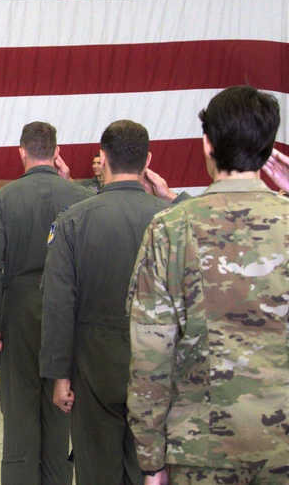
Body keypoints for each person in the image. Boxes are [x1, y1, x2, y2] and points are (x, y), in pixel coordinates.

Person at [127, 86, 288, 484]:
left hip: (200, 450)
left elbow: (151, 354)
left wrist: (151, 458)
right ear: (270, 148)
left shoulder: (170, 228)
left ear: (207, 144)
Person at [40, 120, 170, 484]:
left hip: (93, 366)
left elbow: (58, 304)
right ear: (147, 160)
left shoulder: (73, 221)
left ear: (103, 158)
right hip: (159, 366)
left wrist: (59, 375)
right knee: (151, 469)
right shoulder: (172, 220)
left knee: (96, 467)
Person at [0, 121, 92, 485]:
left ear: (21, 151)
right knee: (60, 403)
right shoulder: (81, 198)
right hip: (67, 309)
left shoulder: (3, 200)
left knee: (19, 406)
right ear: (57, 152)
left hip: (19, 308)